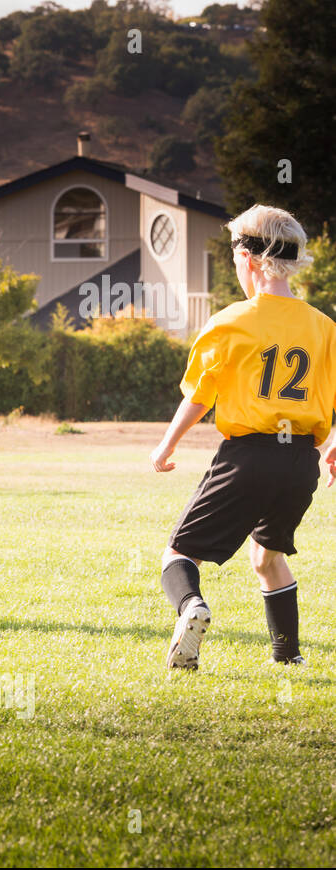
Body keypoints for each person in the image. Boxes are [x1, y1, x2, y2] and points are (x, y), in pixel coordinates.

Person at [151, 204, 336, 669]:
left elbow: (199, 395)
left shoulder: (231, 321)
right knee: (266, 557)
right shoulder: (323, 327)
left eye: (235, 255)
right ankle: (288, 658)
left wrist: (166, 444)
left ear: (249, 258)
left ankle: (191, 606)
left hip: (248, 455)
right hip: (299, 463)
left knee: (178, 553)